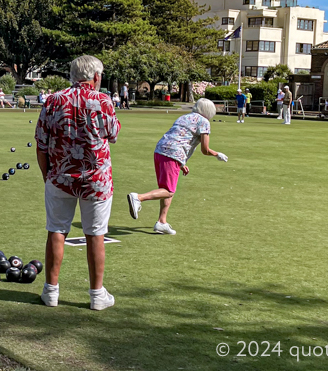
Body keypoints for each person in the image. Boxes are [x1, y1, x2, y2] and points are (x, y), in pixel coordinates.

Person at [36, 55, 120, 311]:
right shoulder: (103, 101)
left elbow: (41, 143)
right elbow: (113, 133)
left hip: (59, 177)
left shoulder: (53, 100)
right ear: (95, 77)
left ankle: (51, 290)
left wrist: (48, 177)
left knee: (56, 230)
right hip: (96, 179)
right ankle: (97, 295)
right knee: (95, 234)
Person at [128, 98, 228, 236]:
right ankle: (138, 198)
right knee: (168, 191)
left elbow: (179, 137)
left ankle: (161, 222)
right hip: (173, 154)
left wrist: (182, 164)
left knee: (166, 189)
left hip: (160, 151)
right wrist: (217, 154)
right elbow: (204, 150)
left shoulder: (184, 117)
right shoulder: (204, 122)